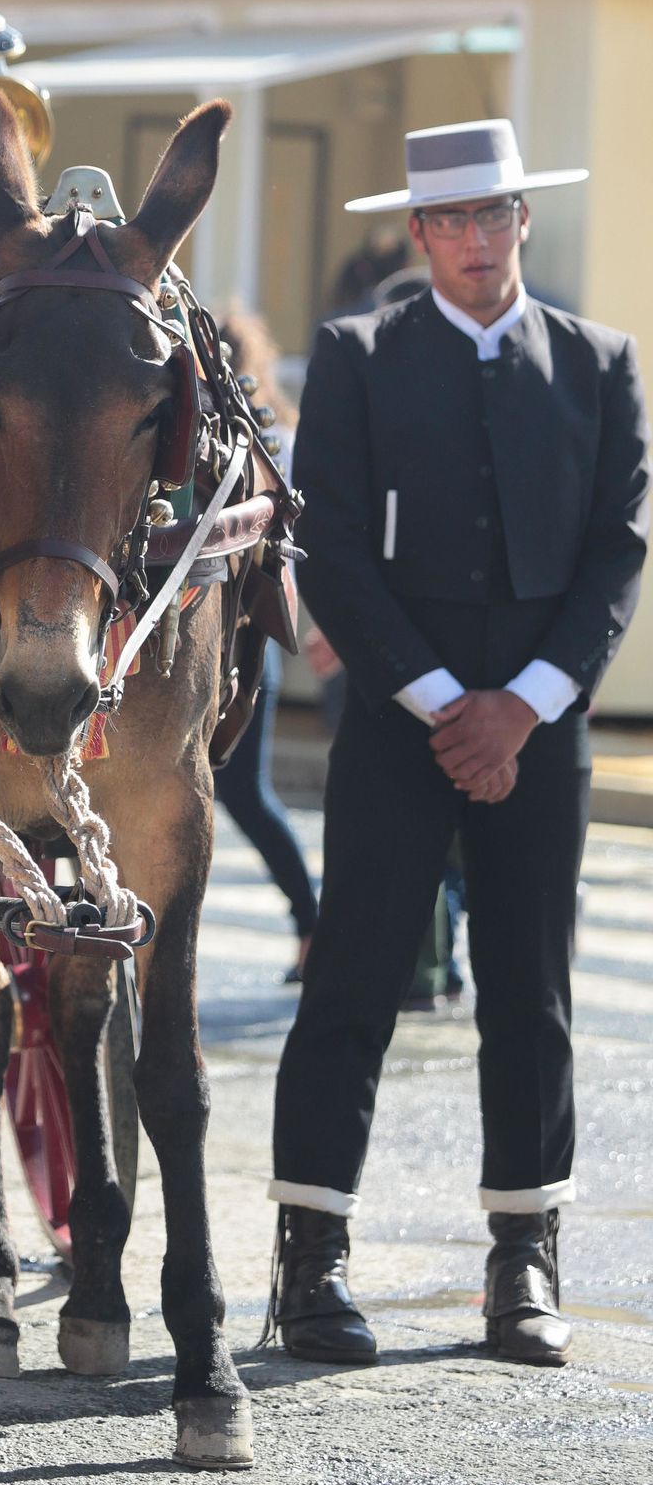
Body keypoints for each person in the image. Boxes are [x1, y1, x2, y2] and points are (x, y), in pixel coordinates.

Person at [266, 118, 648, 1370]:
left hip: (541, 729)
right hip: (395, 726)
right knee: (353, 984)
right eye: (451, 220)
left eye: (495, 215)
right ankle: (310, 1264)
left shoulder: (601, 363)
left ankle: (522, 1263)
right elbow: (325, 548)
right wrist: (441, 702)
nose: (476, 239)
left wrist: (523, 704)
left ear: (522, 220)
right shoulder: (358, 355)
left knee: (529, 997)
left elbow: (617, 551)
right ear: (420, 231)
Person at [213, 309, 319, 977]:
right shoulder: (275, 430)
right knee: (248, 797)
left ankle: (313, 922)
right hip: (231, 636)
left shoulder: (268, 437)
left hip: (242, 638)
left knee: (247, 796)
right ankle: (311, 923)